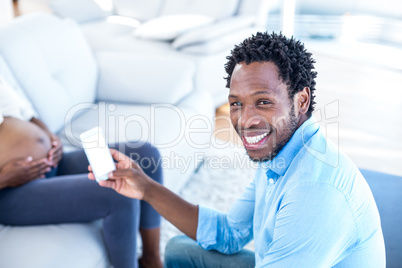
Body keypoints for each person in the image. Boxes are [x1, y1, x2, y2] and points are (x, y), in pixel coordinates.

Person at [91, 32, 386, 267]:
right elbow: (229, 234)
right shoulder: (281, 153)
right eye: (236, 103)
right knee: (180, 250)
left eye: (263, 102)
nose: (245, 121)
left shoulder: (316, 191)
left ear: (301, 100)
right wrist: (145, 188)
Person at [0, 77, 163, 268]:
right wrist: (6, 177)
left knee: (145, 156)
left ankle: (151, 259)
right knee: (118, 191)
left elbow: (27, 114)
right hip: (11, 190)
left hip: (53, 163)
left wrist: (51, 138)